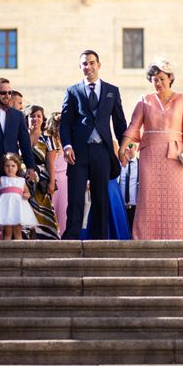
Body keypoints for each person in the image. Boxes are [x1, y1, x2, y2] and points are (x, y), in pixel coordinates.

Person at [118, 58, 183, 240]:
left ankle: (174, 239)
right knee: (148, 198)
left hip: (174, 156)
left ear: (170, 78)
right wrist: (123, 148)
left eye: (162, 78)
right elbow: (133, 127)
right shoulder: (145, 100)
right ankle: (144, 239)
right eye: (155, 79)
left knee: (173, 201)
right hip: (150, 155)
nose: (158, 82)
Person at [61, 50, 127, 240]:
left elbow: (120, 122)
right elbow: (65, 122)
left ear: (99, 65)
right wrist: (67, 146)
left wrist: (124, 148)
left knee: (100, 196)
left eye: (91, 63)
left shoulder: (112, 91)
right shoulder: (72, 91)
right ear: (80, 67)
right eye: (84, 64)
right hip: (78, 151)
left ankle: (99, 237)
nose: (88, 67)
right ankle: (71, 235)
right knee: (75, 195)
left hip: (102, 150)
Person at [0, 78, 35, 240]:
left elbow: (25, 143)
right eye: (3, 92)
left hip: (12, 170)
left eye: (9, 92)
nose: (7, 95)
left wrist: (30, 167)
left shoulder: (18, 115)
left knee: (12, 211)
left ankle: (11, 246)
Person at [0, 153, 37, 240]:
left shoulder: (21, 180)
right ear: (3, 167)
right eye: (7, 166)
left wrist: (26, 195)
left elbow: (27, 192)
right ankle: (6, 252)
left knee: (18, 233)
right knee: (7, 233)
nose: (10, 168)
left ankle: (20, 252)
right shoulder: (2, 179)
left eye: (13, 166)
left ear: (18, 167)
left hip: (18, 210)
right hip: (6, 210)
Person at [24, 104, 60, 239]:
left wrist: (52, 182)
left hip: (42, 182)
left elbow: (51, 162)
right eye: (32, 116)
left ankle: (46, 238)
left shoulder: (48, 139)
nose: (35, 119)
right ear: (27, 118)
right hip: (23, 181)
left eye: (39, 116)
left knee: (42, 209)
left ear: (43, 119)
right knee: (26, 210)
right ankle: (26, 237)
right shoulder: (21, 137)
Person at [44, 112, 68, 235]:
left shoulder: (67, 142)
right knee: (54, 209)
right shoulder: (52, 142)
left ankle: (63, 235)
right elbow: (51, 164)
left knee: (64, 211)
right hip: (55, 179)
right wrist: (52, 182)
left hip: (65, 179)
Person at [118, 143, 139, 230]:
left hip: (136, 210)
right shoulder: (118, 165)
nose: (127, 148)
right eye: (125, 146)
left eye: (130, 146)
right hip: (120, 209)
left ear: (135, 147)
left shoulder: (141, 164)